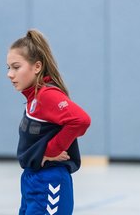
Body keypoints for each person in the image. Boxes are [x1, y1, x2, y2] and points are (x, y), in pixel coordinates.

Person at [6, 29, 91, 215]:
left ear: (36, 67)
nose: (10, 74)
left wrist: (51, 149)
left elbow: (81, 120)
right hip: (32, 179)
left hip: (50, 180)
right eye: (8, 68)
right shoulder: (33, 98)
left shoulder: (47, 95)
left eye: (16, 67)